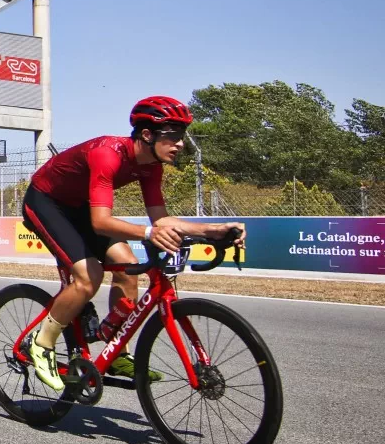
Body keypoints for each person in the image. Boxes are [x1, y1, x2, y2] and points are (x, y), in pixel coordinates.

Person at [21, 96, 246, 390]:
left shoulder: (152, 166)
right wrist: (149, 235)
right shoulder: (108, 154)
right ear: (147, 134)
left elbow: (161, 221)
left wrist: (213, 230)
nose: (180, 144)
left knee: (128, 269)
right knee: (88, 277)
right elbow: (102, 222)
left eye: (182, 137)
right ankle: (42, 343)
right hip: (47, 201)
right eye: (173, 137)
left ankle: (116, 351)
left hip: (80, 208)